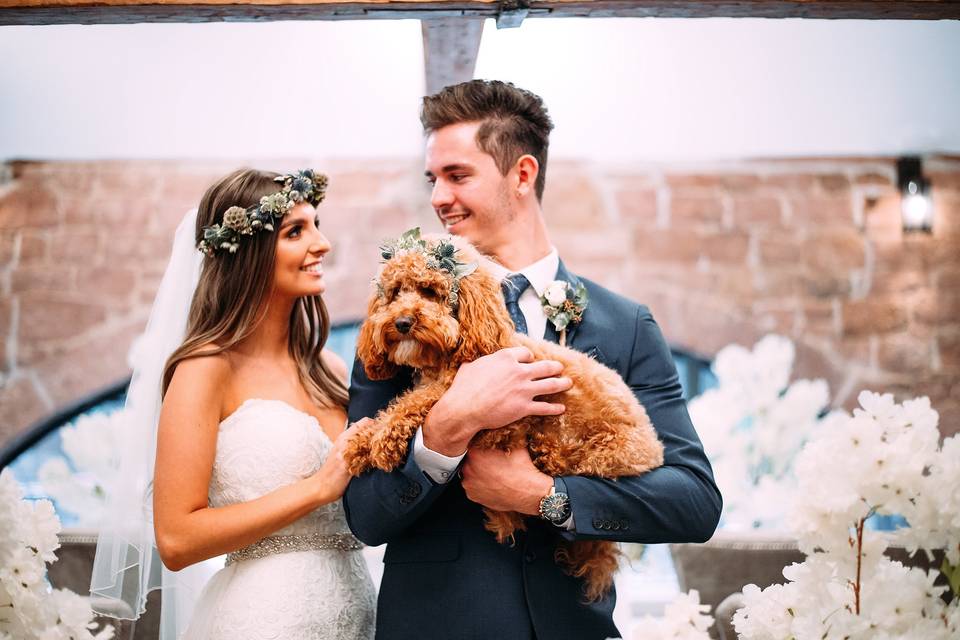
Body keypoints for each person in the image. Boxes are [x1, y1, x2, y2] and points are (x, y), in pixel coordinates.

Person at [343, 80, 722, 640]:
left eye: (458, 175)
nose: (438, 198)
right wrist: (444, 431)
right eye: (433, 179)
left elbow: (693, 502)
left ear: (522, 174)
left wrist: (546, 497)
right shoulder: (402, 319)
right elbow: (364, 516)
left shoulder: (626, 326)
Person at [91, 169, 376, 640]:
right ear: (248, 254)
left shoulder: (327, 365)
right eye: (295, 232)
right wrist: (316, 488)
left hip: (356, 611)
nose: (322, 244)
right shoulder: (206, 368)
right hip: (264, 620)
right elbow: (177, 540)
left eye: (316, 225)